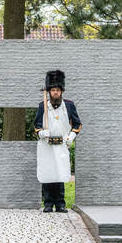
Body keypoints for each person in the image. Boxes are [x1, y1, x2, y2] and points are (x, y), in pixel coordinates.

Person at [34, 70, 82, 213]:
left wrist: (71, 137)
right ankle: (48, 203)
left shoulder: (69, 106)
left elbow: (77, 124)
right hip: (46, 145)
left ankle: (60, 203)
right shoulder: (43, 106)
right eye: (53, 90)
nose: (55, 93)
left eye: (58, 90)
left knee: (60, 172)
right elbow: (36, 125)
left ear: (61, 92)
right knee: (48, 172)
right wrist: (42, 133)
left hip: (61, 144)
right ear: (49, 92)